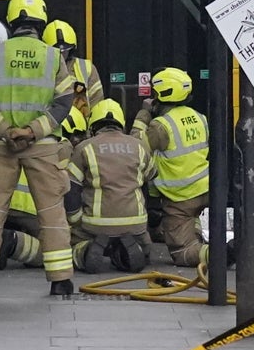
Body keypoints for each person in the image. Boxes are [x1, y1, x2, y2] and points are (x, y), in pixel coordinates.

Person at [0, 0, 73, 298]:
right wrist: (33, 131)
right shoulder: (54, 57)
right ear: (41, 22)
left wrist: (6, 130)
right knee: (52, 210)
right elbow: (64, 101)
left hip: (2, 145)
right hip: (41, 145)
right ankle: (61, 280)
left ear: (12, 21)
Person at [70, 100, 152, 274]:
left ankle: (85, 251)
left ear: (92, 125)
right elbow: (152, 175)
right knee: (142, 246)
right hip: (135, 223)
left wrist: (76, 220)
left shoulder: (84, 148)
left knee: (71, 244)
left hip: (95, 224)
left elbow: (71, 189)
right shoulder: (139, 146)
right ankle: (128, 252)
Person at [145, 68, 210, 274]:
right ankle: (196, 234)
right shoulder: (200, 118)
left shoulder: (160, 126)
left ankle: (216, 254)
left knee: (182, 252)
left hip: (179, 198)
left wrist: (142, 114)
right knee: (189, 220)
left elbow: (137, 150)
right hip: (203, 189)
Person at [48, 20, 101, 126]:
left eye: (65, 51)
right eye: (57, 51)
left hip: (80, 132)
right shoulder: (42, 68)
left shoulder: (86, 68)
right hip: (52, 128)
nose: (61, 55)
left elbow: (97, 103)